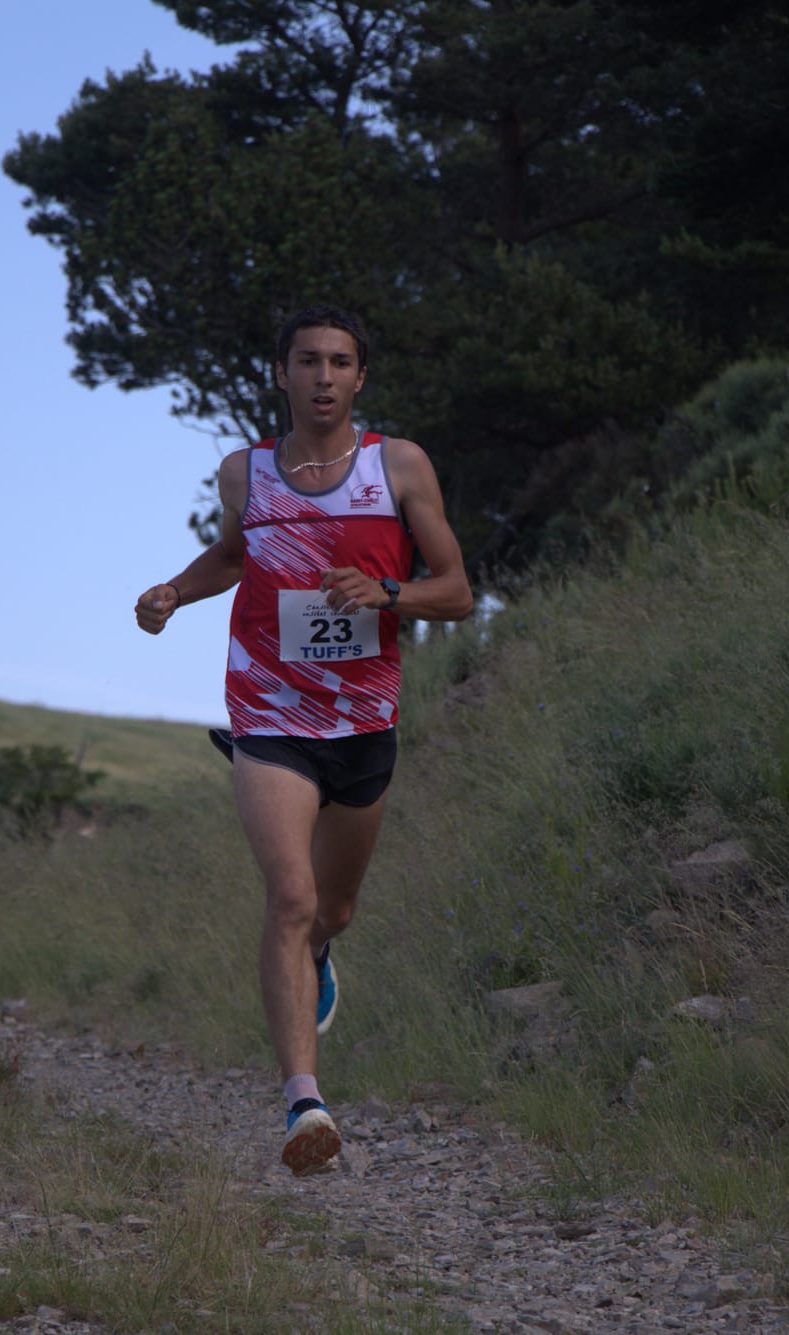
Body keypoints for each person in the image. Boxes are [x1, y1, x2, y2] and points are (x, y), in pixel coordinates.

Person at [133, 306, 473, 1175]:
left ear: (361, 378)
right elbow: (233, 556)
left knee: (332, 909)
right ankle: (304, 1103)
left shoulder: (396, 466)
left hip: (363, 722)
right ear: (280, 373)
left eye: (341, 362)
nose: (324, 376)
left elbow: (458, 589)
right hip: (270, 713)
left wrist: (387, 591)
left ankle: (321, 951)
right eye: (308, 360)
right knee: (289, 894)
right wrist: (173, 592)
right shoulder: (244, 473)